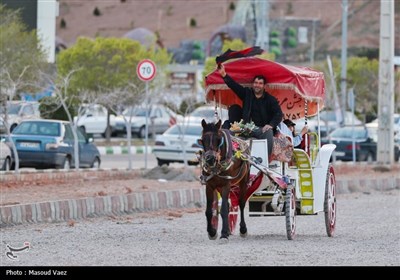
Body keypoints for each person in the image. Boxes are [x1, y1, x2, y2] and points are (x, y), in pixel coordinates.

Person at [218, 63, 283, 156]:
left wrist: (271, 125)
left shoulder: (270, 99)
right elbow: (234, 86)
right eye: (256, 83)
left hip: (261, 129)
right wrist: (224, 75)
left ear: (264, 86)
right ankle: (226, 158)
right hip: (245, 127)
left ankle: (266, 160)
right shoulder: (247, 94)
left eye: (260, 83)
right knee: (228, 132)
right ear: (253, 84)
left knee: (269, 132)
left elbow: (278, 114)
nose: (257, 85)